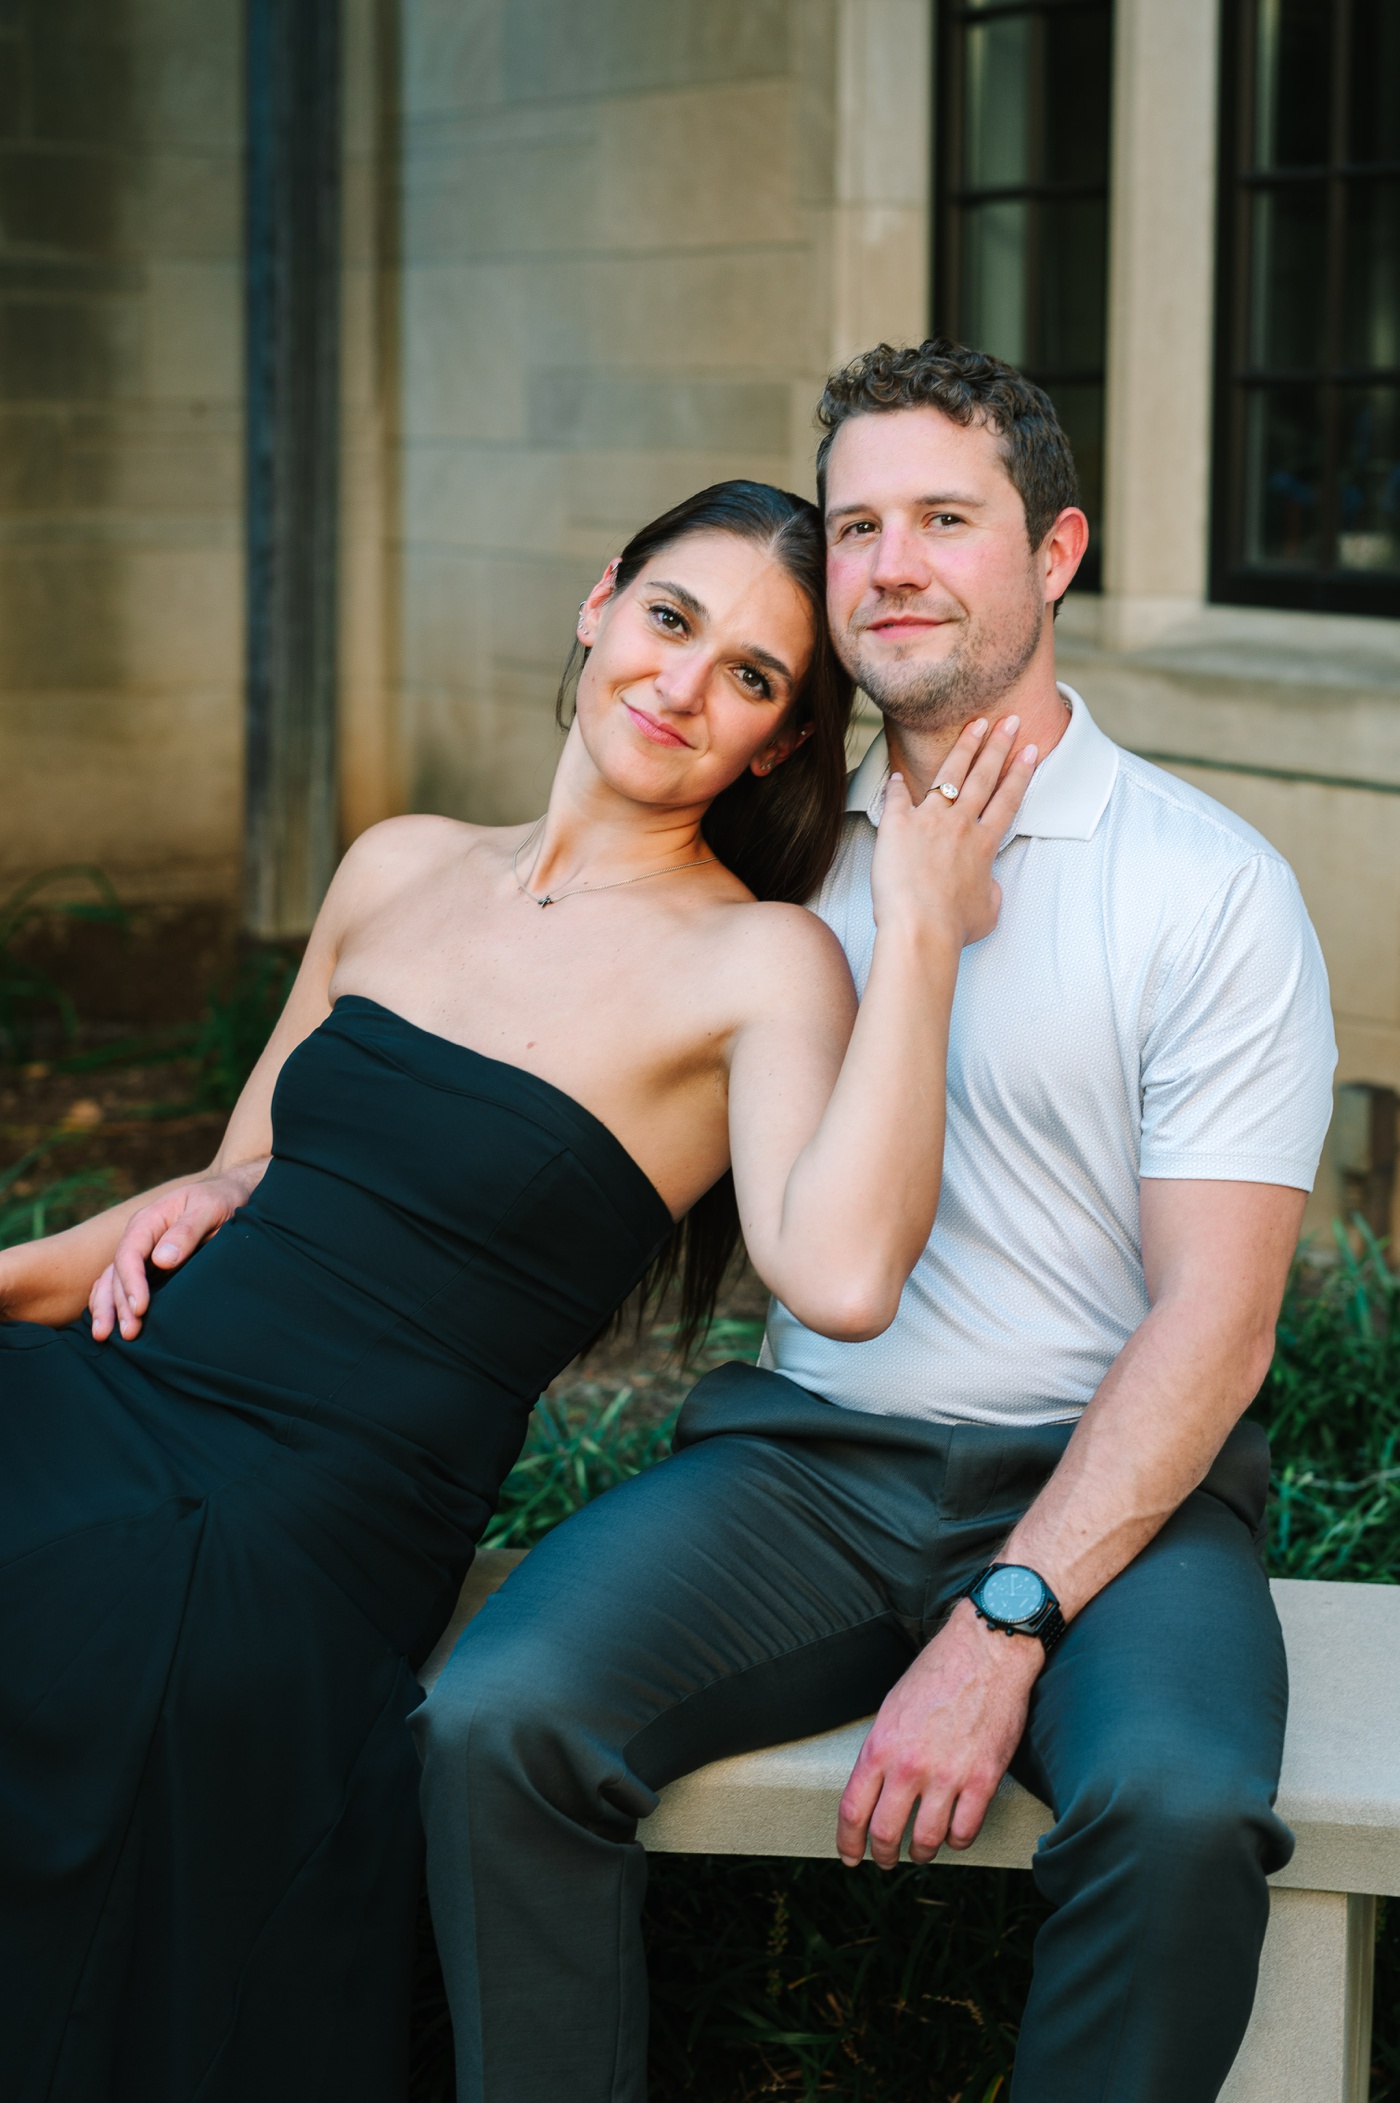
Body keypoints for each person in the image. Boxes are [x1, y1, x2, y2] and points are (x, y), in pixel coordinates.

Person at [0, 478, 1035, 2102]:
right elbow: (228, 1196)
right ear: (600, 603)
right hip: (135, 1397)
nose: (686, 686)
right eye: (673, 621)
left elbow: (838, 1277)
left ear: (777, 745)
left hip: (305, 1518)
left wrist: (920, 934)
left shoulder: (758, 963)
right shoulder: (396, 863)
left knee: (87, 1650)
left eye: (755, 680)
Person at [416, 344, 1338, 2103]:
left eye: (943, 519)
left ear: (1055, 552)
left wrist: (1006, 1621)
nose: (891, 565)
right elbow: (520, 1048)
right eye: (855, 526)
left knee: (1187, 1808)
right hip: (804, 1471)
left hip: (1115, 1498)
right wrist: (253, 1167)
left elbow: (1216, 1329)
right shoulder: (769, 859)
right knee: (493, 1721)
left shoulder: (1204, 886)